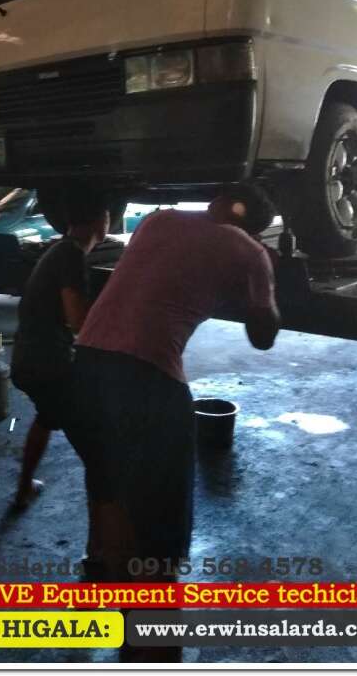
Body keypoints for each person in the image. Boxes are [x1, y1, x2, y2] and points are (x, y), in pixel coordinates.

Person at [65, 184, 281, 594]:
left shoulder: (157, 221)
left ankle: (110, 577)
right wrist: (263, 274)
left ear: (217, 201)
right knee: (160, 522)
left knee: (112, 486)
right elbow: (263, 336)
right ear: (254, 229)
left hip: (87, 368)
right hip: (147, 379)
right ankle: (152, 613)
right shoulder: (249, 251)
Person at [11, 189, 110, 509]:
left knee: (47, 416)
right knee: (93, 441)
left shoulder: (60, 250)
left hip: (28, 359)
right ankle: (112, 508)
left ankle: (24, 487)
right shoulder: (71, 256)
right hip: (47, 364)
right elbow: (78, 321)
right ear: (101, 221)